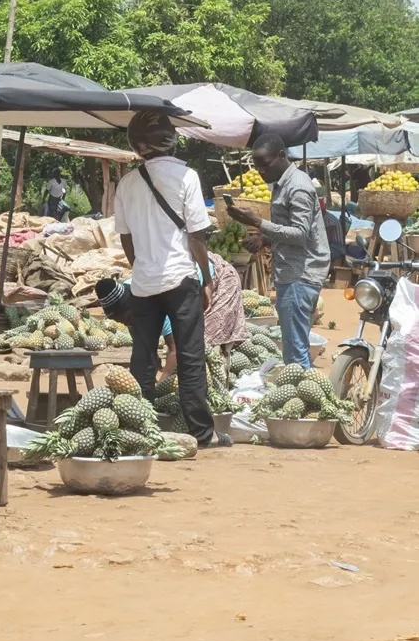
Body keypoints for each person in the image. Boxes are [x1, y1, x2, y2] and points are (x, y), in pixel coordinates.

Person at [114, 110, 217, 447]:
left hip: (143, 284)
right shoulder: (187, 176)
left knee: (142, 359)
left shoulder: (127, 183)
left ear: (137, 145)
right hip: (180, 280)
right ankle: (201, 434)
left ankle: (138, 430)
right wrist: (206, 279)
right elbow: (197, 238)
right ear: (172, 140)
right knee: (190, 357)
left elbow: (126, 238)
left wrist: (141, 264)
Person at [227, 133, 330, 368]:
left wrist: (259, 222)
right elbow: (290, 229)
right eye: (257, 166)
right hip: (292, 273)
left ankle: (304, 399)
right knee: (294, 347)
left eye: (265, 164)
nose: (261, 171)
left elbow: (300, 234)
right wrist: (265, 238)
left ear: (282, 156)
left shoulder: (298, 187)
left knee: (295, 353)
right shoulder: (283, 184)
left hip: (299, 275)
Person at [96, 250, 246, 379]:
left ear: (133, 307)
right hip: (184, 280)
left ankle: (218, 394)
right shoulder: (129, 312)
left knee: (204, 345)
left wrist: (161, 384)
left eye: (127, 319)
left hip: (215, 278)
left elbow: (175, 350)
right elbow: (146, 352)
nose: (127, 323)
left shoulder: (154, 300)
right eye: (121, 322)